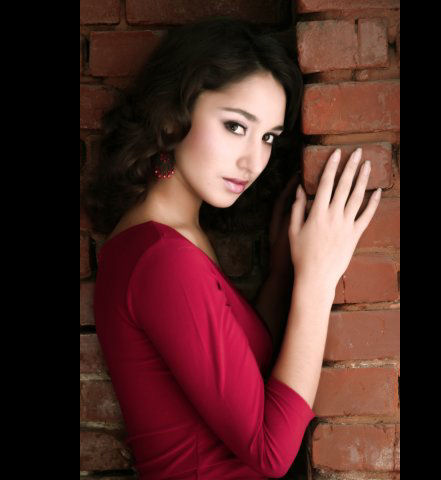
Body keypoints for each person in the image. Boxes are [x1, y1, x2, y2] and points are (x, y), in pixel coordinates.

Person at [81, 16, 381, 480]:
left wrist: (281, 274)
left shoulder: (173, 240)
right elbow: (270, 452)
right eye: (236, 126)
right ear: (173, 114)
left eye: (268, 137)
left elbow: (243, 373)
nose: (253, 161)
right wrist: (318, 279)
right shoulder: (162, 259)